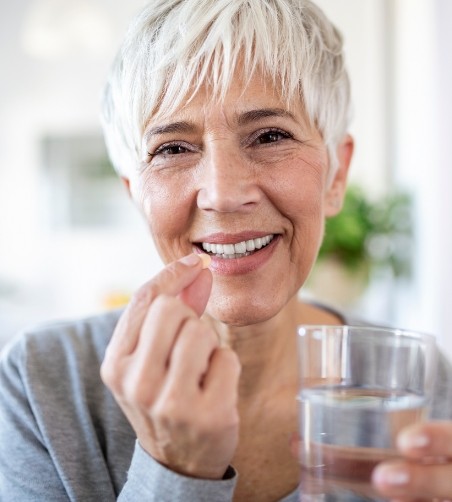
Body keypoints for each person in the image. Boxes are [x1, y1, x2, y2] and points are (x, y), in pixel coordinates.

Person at [1, 0, 452, 500]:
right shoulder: (39, 383)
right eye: (172, 148)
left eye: (270, 135)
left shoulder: (415, 381)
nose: (221, 192)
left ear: (336, 174)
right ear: (136, 193)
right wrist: (175, 470)